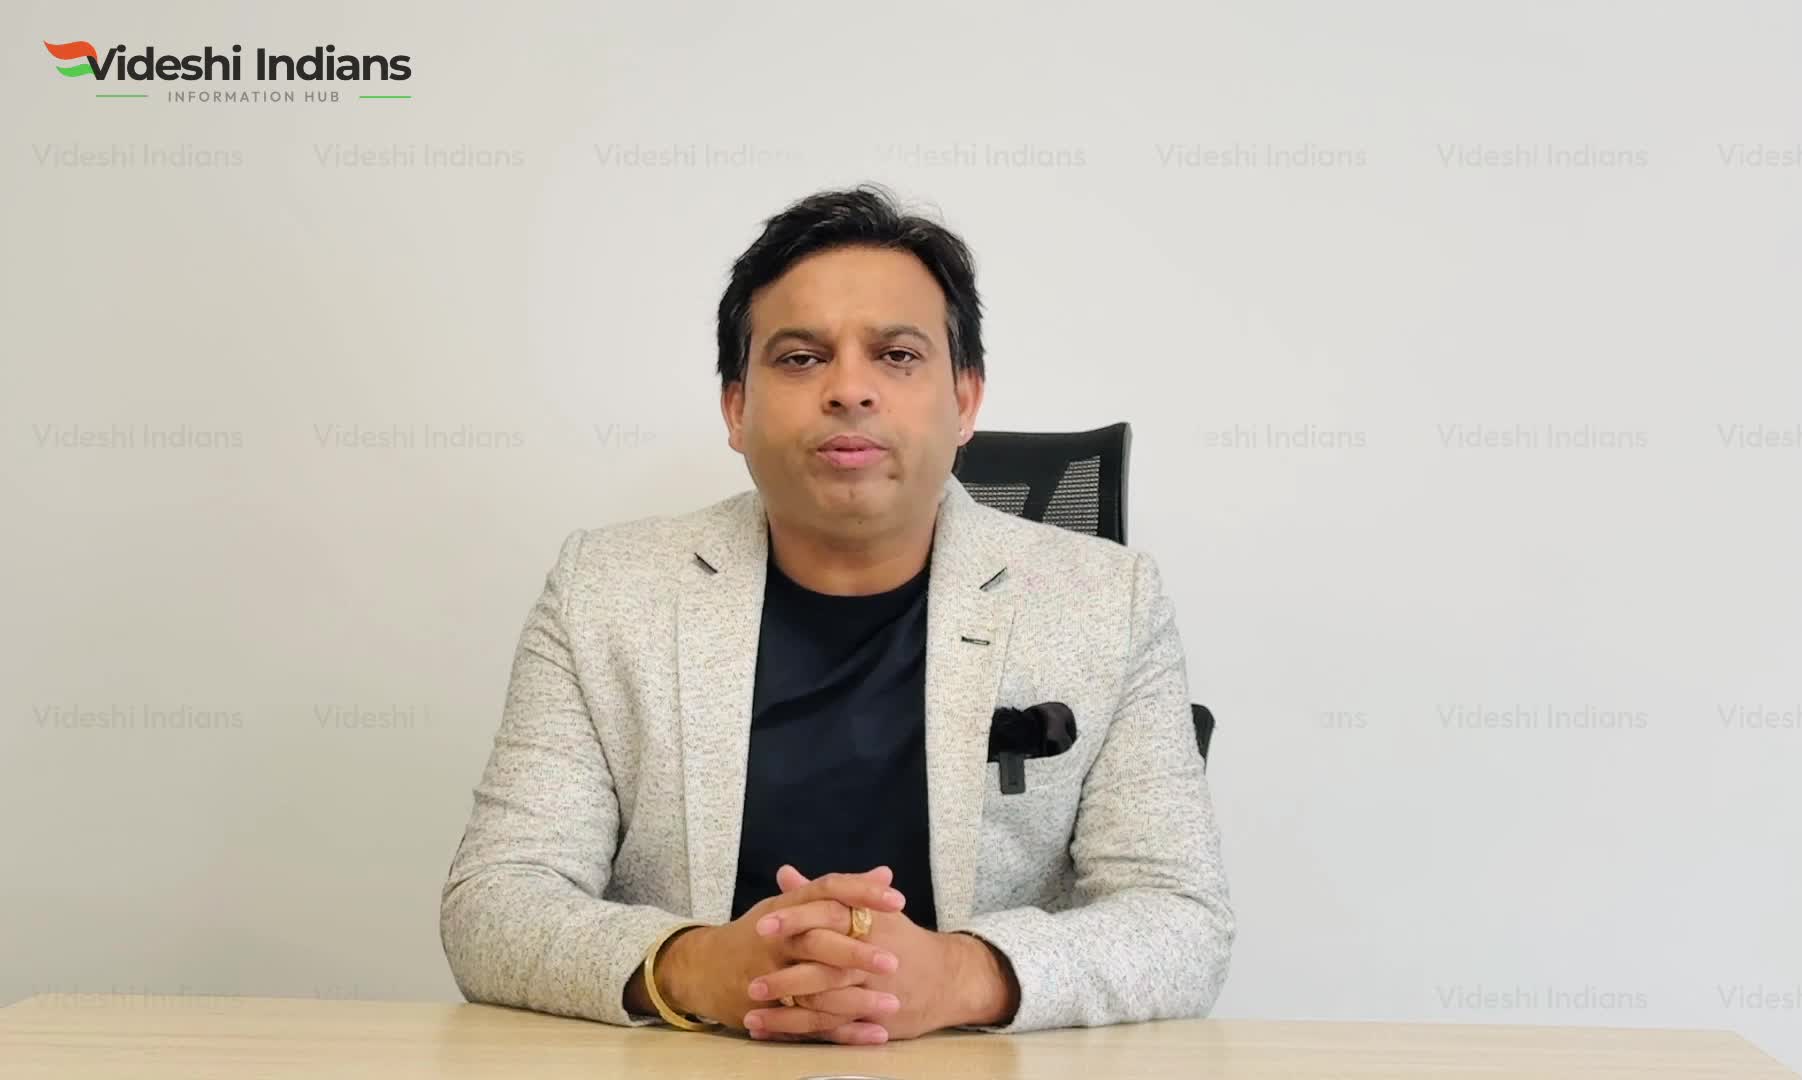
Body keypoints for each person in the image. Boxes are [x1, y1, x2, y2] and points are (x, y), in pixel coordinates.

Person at [438, 183, 1232, 1045]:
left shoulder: (1109, 603)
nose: (850, 390)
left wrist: (958, 976)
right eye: (800, 358)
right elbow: (494, 902)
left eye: (896, 355)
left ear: (965, 400)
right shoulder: (602, 592)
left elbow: (1181, 920)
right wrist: (699, 967)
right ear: (736, 407)